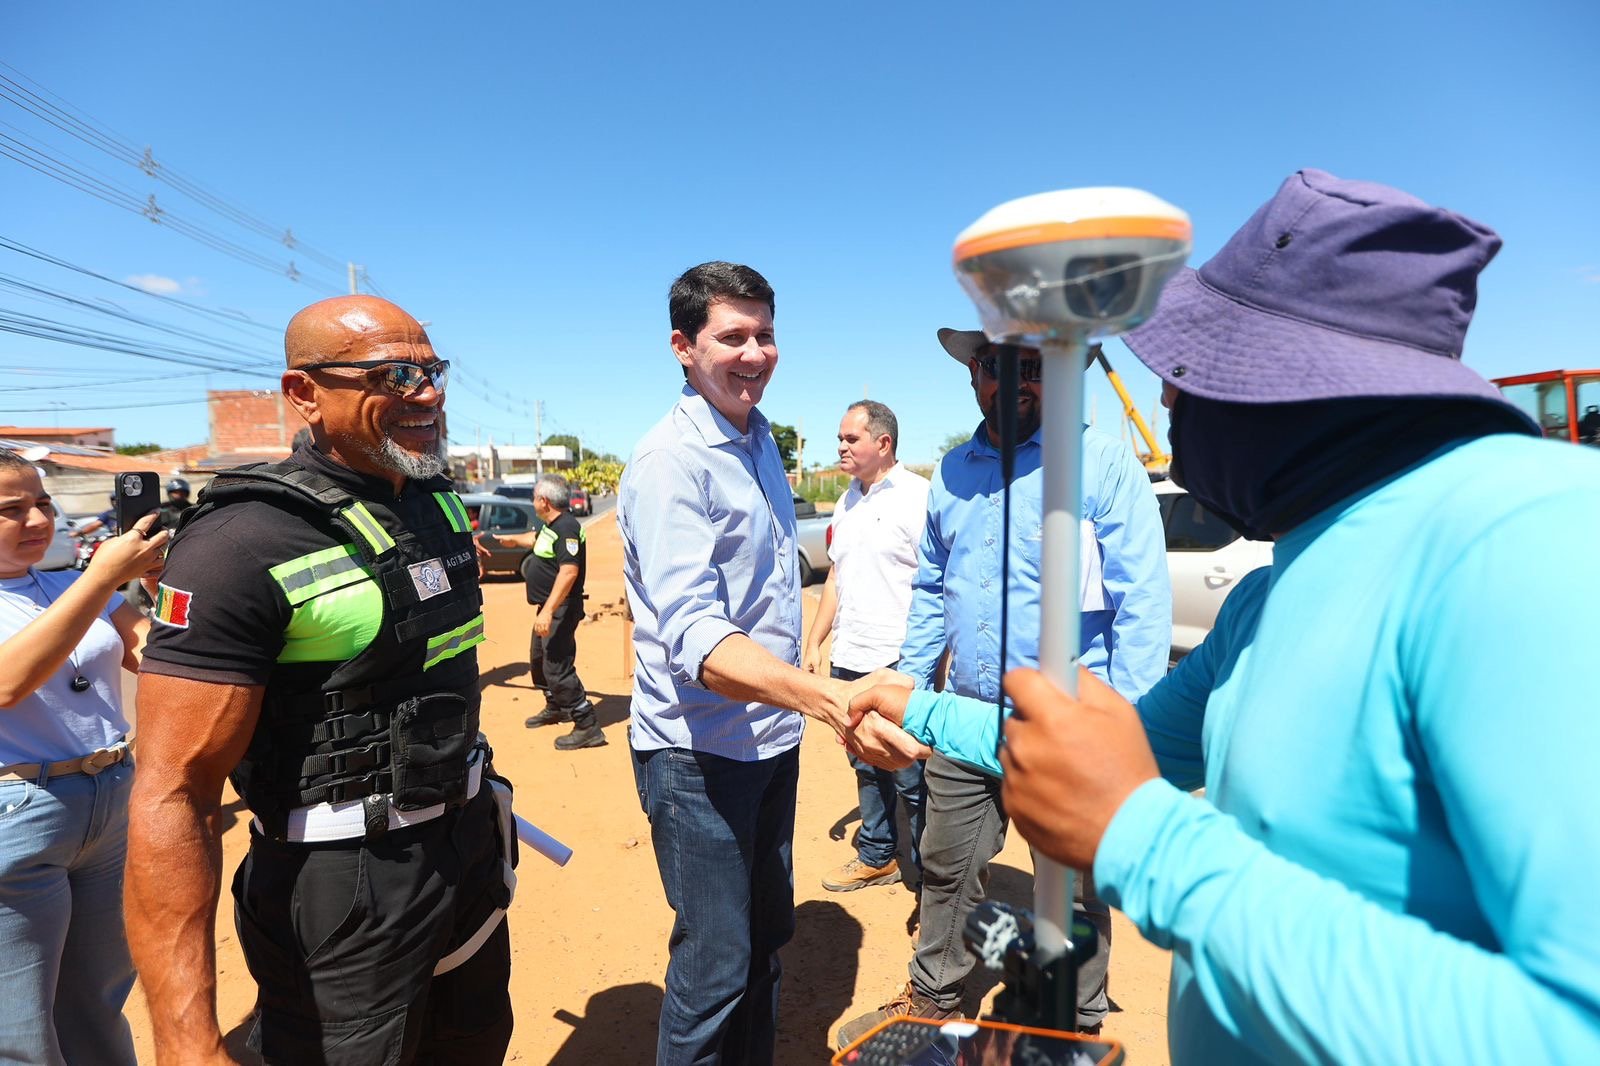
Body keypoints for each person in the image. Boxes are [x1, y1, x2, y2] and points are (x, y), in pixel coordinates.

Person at [851, 170, 1600, 1062]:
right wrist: (916, 708)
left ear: (1303, 375)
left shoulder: (1532, 540)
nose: (1167, 400)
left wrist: (1144, 842)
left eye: (1191, 370)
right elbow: (1116, 749)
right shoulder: (1268, 598)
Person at [127, 295, 515, 1065]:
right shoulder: (240, 542)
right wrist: (186, 1040)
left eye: (432, 371)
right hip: (341, 884)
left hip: (466, 848)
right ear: (305, 392)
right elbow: (175, 790)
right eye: (393, 374)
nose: (427, 392)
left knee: (472, 1042)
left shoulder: (435, 504)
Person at [618, 261, 921, 1065]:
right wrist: (829, 699)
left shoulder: (758, 445)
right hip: (697, 753)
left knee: (765, 943)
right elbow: (697, 638)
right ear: (683, 347)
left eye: (767, 335)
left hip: (768, 742)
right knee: (716, 966)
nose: (755, 353)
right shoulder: (669, 462)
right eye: (733, 336)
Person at [838, 327, 1170, 1047]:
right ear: (974, 377)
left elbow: (1140, 603)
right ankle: (930, 1000)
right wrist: (911, 687)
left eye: (1036, 364)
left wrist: (1127, 732)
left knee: (1073, 887)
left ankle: (1074, 1026)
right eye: (995, 364)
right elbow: (930, 589)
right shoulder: (955, 472)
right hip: (964, 716)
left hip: (1069, 729)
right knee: (948, 867)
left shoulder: (1104, 465)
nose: (1012, 379)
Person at [0, 449, 167, 1065]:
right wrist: (101, 579)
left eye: (41, 501)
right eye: (11, 509)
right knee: (18, 1029)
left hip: (109, 801)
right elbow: (7, 683)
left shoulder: (67, 582)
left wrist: (168, 595)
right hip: (17, 814)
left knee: (96, 1002)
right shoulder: (86, 584)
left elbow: (151, 651)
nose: (37, 519)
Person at [802, 400, 930, 893]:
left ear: (883, 443)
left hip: (899, 661)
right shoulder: (848, 500)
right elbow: (837, 574)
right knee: (862, 759)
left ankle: (930, 884)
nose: (840, 447)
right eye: (840, 439)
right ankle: (878, 855)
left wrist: (932, 664)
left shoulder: (920, 497)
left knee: (912, 777)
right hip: (850, 659)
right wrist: (816, 641)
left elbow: (939, 584)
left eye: (850, 439)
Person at [491, 473, 604, 749]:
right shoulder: (551, 525)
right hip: (549, 608)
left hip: (560, 608)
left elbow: (569, 572)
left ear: (544, 501)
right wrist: (510, 541)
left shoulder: (567, 528)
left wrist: (548, 612)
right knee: (539, 659)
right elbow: (535, 540)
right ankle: (556, 706)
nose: (533, 502)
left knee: (556, 664)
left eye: (534, 498)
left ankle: (586, 723)